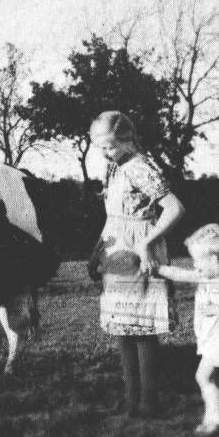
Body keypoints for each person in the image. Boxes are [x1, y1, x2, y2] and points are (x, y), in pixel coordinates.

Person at [88, 111, 185, 417]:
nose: (105, 153)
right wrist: (97, 251)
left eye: (110, 146)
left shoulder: (140, 167)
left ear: (128, 139)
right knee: (123, 327)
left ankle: (148, 401)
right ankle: (131, 399)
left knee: (143, 329)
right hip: (117, 250)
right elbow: (112, 217)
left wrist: (146, 242)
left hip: (139, 249)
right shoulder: (114, 169)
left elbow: (174, 208)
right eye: (100, 147)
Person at [158, 224, 219, 436]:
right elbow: (180, 274)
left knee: (203, 377)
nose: (194, 265)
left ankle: (217, 417)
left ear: (214, 260)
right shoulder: (206, 275)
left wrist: (213, 308)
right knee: (215, 379)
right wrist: (158, 269)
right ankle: (213, 418)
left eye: (197, 260)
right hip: (213, 339)